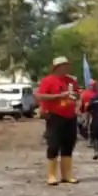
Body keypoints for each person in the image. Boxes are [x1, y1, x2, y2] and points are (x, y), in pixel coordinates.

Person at [36, 56, 81, 185]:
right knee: (54, 144)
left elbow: (77, 94)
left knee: (69, 144)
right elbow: (39, 96)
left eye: (67, 65)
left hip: (70, 115)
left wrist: (76, 98)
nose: (67, 68)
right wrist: (59, 96)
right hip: (55, 115)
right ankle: (51, 175)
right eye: (64, 66)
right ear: (57, 67)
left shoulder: (71, 81)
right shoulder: (48, 80)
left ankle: (67, 174)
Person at [78, 79, 98, 146]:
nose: (93, 86)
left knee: (92, 125)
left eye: (94, 85)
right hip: (87, 111)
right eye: (92, 85)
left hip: (95, 111)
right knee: (88, 124)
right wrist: (81, 111)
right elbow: (81, 103)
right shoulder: (85, 93)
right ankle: (90, 140)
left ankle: (93, 139)